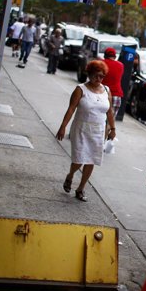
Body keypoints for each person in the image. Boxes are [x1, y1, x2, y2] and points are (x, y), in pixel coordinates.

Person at [56, 60, 116, 202]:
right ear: (89, 74)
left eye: (102, 76)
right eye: (96, 75)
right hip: (81, 129)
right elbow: (71, 109)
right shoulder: (80, 89)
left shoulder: (106, 90)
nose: (98, 79)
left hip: (98, 131)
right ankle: (70, 175)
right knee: (79, 159)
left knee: (91, 160)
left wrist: (113, 128)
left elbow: (109, 111)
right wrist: (63, 126)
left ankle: (81, 188)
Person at [101, 47, 124, 116]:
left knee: (100, 118)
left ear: (105, 56)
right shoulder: (121, 65)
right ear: (115, 56)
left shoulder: (101, 63)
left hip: (102, 94)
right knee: (110, 120)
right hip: (116, 95)